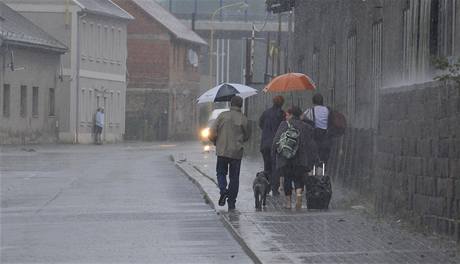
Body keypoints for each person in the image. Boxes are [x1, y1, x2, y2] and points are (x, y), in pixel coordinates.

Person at [209, 96, 250, 211]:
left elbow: (212, 132)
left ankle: (223, 190)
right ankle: (231, 203)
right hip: (236, 152)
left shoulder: (222, 116)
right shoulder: (243, 118)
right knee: (234, 177)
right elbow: (247, 136)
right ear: (241, 105)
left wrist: (215, 141)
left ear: (230, 104)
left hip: (222, 151)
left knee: (221, 173)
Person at [272, 106, 318, 209]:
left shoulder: (284, 125)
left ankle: (288, 203)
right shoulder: (306, 127)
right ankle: (298, 194)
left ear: (292, 115)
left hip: (286, 158)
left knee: (287, 178)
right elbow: (311, 144)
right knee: (299, 177)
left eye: (287, 114)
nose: (286, 116)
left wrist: (273, 152)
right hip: (301, 159)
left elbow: (276, 140)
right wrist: (313, 159)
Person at [258, 95, 285, 195]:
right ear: (282, 104)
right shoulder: (282, 114)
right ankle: (275, 188)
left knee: (267, 166)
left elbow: (260, 124)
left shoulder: (266, 113)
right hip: (276, 144)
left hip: (265, 143)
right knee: (276, 167)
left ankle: (266, 187)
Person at [301, 93, 332, 165]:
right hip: (326, 137)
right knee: (324, 156)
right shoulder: (327, 110)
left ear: (313, 102)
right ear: (322, 101)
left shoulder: (310, 110)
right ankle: (323, 169)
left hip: (315, 137)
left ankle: (314, 169)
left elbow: (301, 118)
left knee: (314, 154)